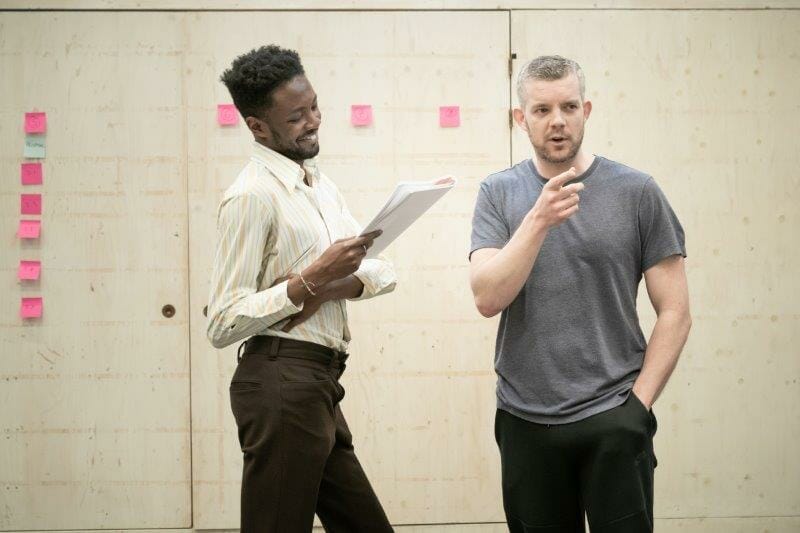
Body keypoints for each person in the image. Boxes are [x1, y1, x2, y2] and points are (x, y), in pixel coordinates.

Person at [469, 55, 692, 532]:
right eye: (542, 110)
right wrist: (538, 220)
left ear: (586, 111)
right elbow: (487, 298)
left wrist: (638, 407)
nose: (557, 122)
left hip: (614, 414)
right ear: (520, 117)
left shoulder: (636, 191)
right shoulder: (498, 192)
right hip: (525, 419)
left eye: (569, 107)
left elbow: (675, 311)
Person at [207, 45, 396, 533]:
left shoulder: (321, 187)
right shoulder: (251, 196)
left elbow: (382, 272)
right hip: (279, 381)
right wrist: (307, 281)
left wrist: (325, 285)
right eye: (296, 116)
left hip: (319, 385)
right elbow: (223, 322)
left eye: (313, 105)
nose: (314, 120)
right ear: (257, 126)